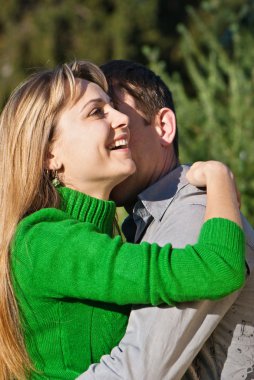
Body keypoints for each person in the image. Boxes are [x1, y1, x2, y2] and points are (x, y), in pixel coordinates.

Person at [0, 60, 245, 380]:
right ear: (50, 154)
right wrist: (219, 175)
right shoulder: (47, 242)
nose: (121, 119)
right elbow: (219, 269)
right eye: (97, 112)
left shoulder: (93, 237)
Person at [79, 60, 254, 380]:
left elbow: (138, 371)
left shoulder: (195, 213)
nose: (108, 128)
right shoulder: (151, 220)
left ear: (164, 127)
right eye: (97, 115)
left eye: (115, 111)